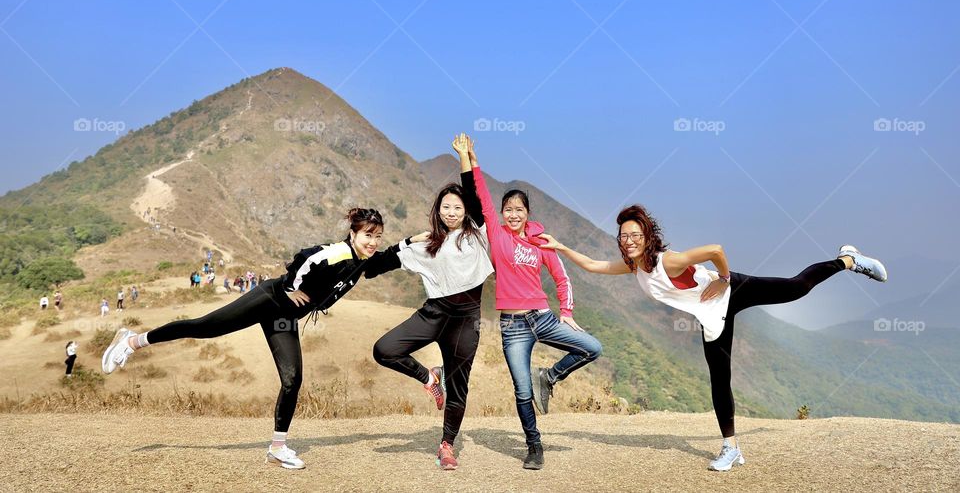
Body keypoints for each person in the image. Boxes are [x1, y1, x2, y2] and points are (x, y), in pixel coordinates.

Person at [536, 204, 888, 472]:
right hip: (710, 315)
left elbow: (715, 248)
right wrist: (560, 247)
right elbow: (594, 265)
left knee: (796, 287)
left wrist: (722, 278)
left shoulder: (667, 261)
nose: (627, 242)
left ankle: (847, 260)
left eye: (633, 235)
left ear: (646, 236)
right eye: (623, 237)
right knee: (720, 379)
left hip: (732, 290)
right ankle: (731, 448)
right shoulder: (634, 267)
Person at [100, 208, 427, 470]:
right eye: (368, 235)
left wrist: (414, 239)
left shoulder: (362, 262)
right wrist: (289, 287)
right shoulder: (338, 252)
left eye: (378, 236)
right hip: (269, 299)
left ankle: (277, 448)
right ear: (353, 233)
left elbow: (386, 260)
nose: (373, 242)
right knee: (204, 327)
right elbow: (307, 257)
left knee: (292, 379)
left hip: (284, 319)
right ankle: (132, 341)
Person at [467, 140, 602, 470]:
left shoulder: (541, 242)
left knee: (592, 347)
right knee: (522, 389)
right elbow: (481, 196)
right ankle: (534, 446)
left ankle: (551, 377)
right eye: (508, 210)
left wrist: (566, 313)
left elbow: (562, 278)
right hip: (513, 327)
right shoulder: (497, 235)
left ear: (528, 214)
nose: (513, 215)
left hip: (543, 318)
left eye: (519, 210)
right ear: (502, 214)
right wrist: (472, 161)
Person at [372, 133, 494, 470]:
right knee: (384, 349)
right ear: (437, 212)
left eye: (457, 207)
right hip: (433, 313)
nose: (452, 211)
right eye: (446, 207)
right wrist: (408, 240)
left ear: (464, 210)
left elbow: (471, 190)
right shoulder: (425, 245)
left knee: (459, 383)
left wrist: (466, 156)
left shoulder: (478, 233)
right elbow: (376, 266)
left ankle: (447, 445)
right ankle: (429, 378)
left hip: (466, 319)